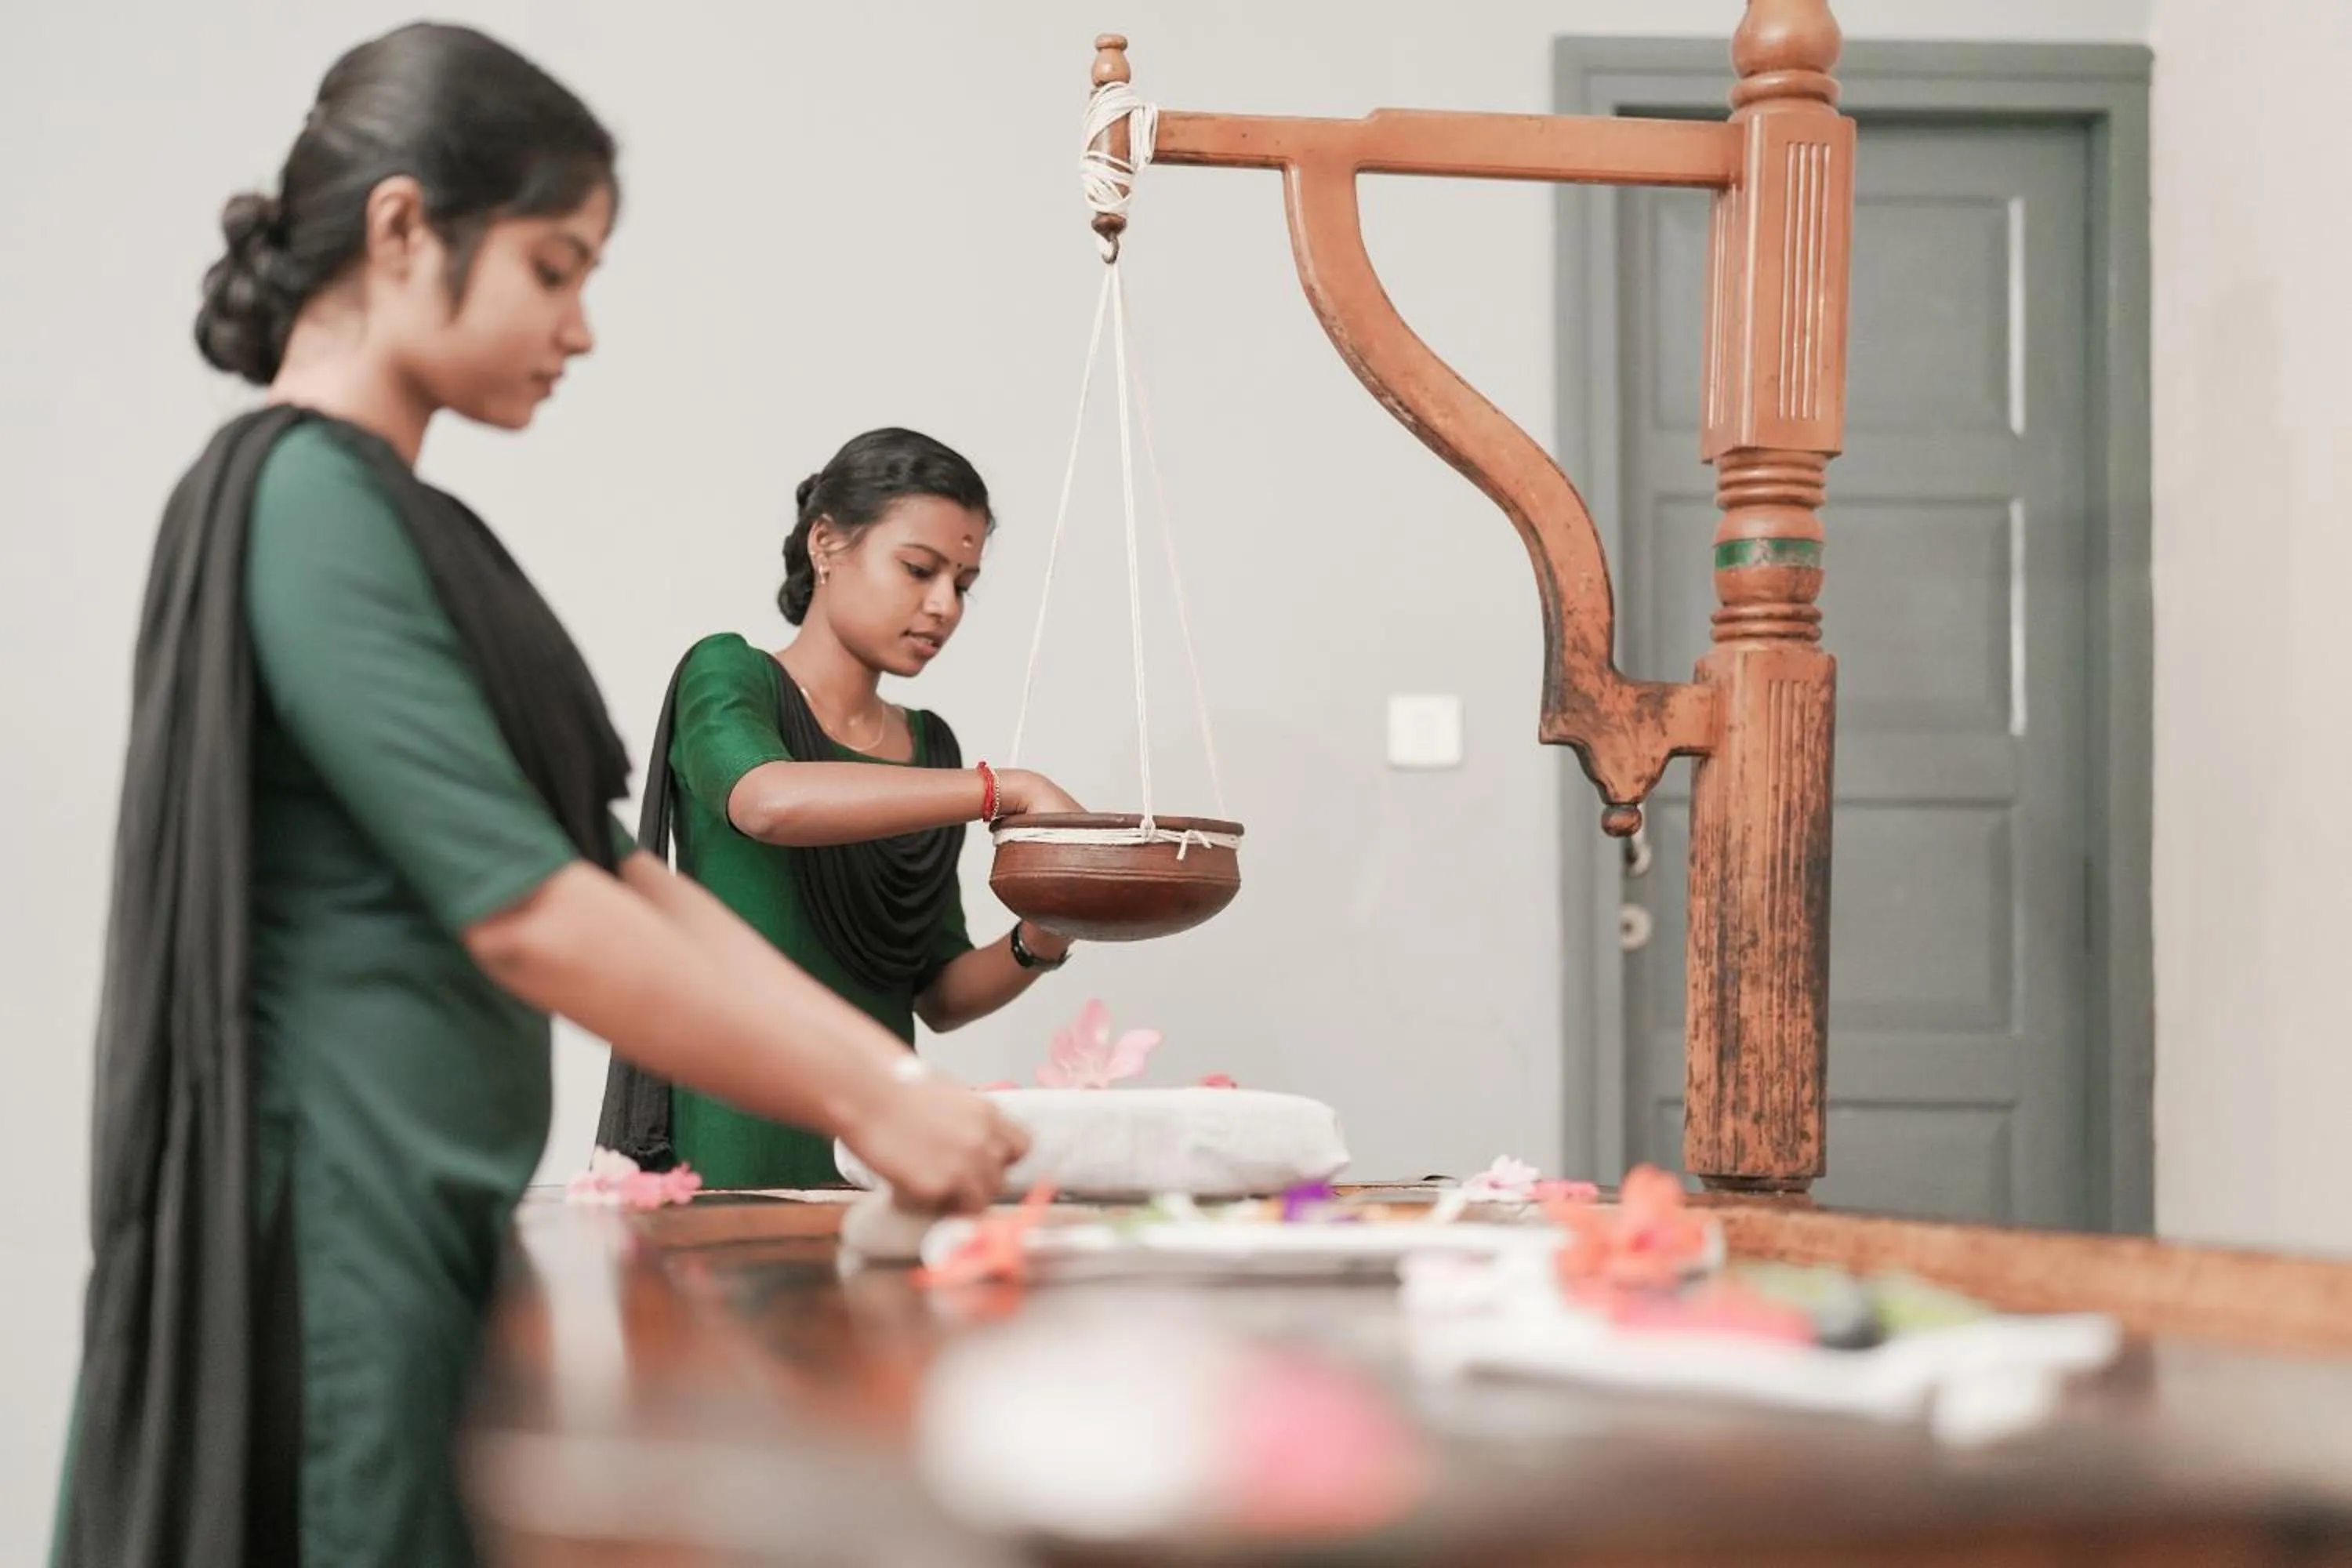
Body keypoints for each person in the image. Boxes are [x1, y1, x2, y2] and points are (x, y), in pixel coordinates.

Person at [50, 24, 1025, 1568]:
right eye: (554, 269)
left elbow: (616, 878)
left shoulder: (404, 520)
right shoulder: (304, 503)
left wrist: (895, 1083)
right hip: (335, 1242)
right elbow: (532, 913)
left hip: (428, 1229)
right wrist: (870, 1095)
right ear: (401, 228)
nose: (579, 327)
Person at [596, 429, 1088, 1189]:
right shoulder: (729, 676)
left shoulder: (930, 747)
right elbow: (768, 801)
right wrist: (1005, 788)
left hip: (880, 1148)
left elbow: (940, 993)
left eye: (963, 582)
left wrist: (1051, 925)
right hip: (740, 1137)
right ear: (827, 543)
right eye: (919, 568)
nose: (943, 606)